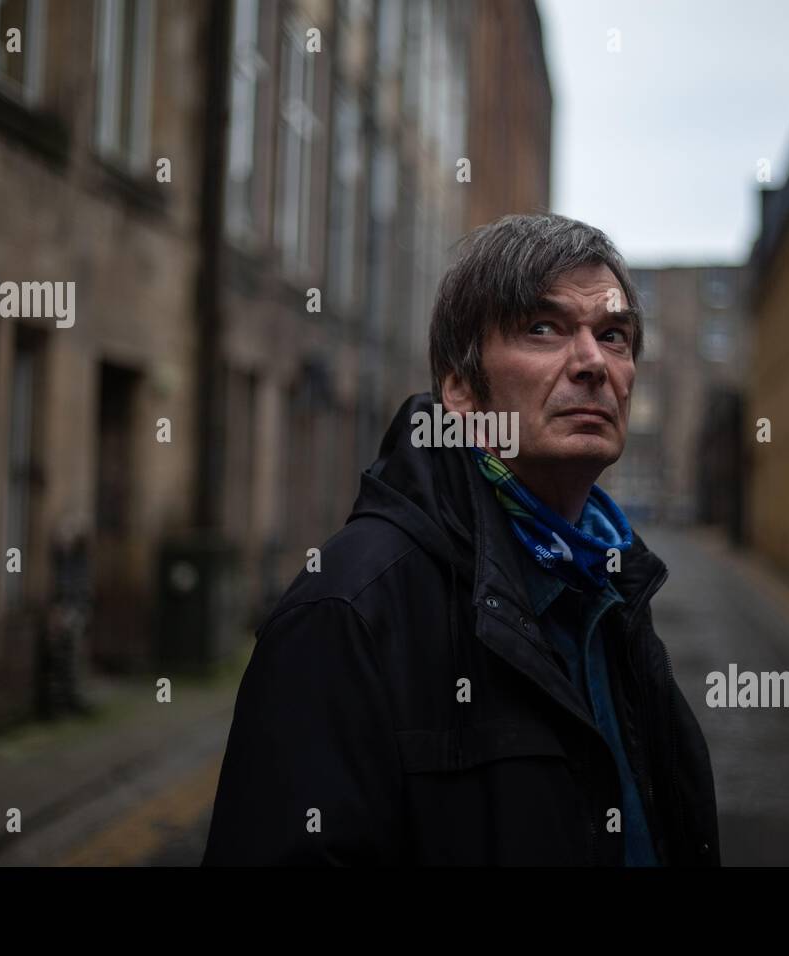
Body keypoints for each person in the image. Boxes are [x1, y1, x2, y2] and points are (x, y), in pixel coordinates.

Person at [202, 213, 719, 866]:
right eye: (543, 328)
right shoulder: (346, 612)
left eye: (613, 336)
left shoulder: (610, 588)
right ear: (461, 389)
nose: (592, 363)